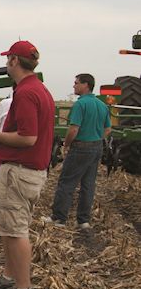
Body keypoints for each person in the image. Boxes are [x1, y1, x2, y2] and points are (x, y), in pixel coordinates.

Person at [0, 40, 55, 289]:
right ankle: (9, 277)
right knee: (9, 227)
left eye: (8, 58)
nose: (6, 63)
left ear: (14, 60)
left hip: (20, 171)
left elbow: (28, 137)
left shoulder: (25, 93)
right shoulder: (39, 89)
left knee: (14, 231)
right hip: (28, 171)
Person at [43, 74, 111, 229]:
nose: (74, 86)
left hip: (81, 147)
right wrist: (96, 138)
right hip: (96, 147)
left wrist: (66, 144)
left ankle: (59, 218)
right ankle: (83, 221)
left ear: (86, 85)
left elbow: (73, 129)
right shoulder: (102, 105)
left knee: (67, 182)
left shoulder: (80, 105)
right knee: (88, 184)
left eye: (76, 83)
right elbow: (108, 129)